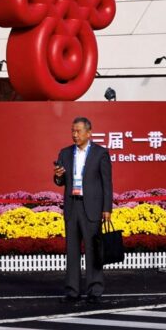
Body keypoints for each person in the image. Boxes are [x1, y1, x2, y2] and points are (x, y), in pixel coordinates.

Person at [53, 116, 113, 305]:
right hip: (72, 206)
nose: (75, 135)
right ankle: (72, 291)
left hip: (92, 207)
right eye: (73, 131)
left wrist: (107, 208)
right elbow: (60, 182)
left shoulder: (100, 153)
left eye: (78, 131)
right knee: (72, 251)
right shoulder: (65, 153)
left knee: (93, 250)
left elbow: (107, 183)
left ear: (89, 133)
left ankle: (95, 290)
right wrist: (57, 176)